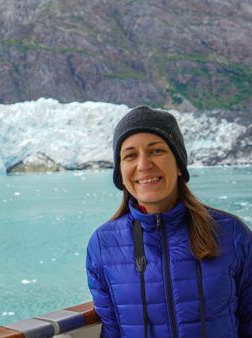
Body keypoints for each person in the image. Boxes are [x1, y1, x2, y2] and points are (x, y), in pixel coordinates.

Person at [86, 106, 252, 338]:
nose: (143, 165)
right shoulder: (103, 245)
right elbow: (112, 331)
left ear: (179, 165)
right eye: (130, 155)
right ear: (120, 173)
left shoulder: (231, 233)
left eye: (156, 151)